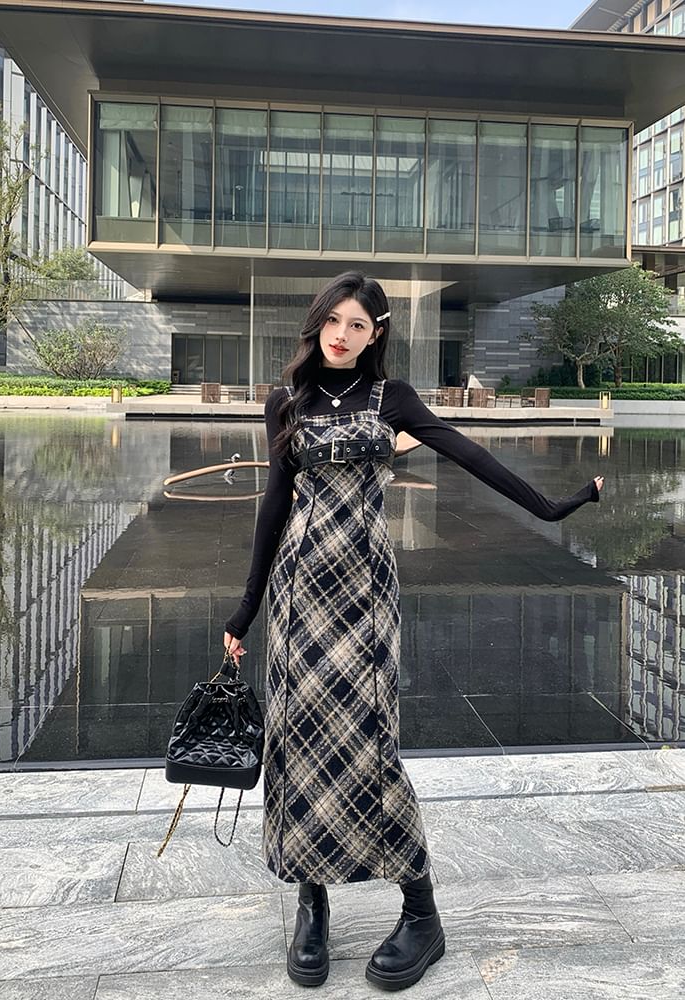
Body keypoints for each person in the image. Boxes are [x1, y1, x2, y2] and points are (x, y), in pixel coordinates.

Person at [223, 272, 604, 992]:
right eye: (333, 320)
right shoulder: (286, 402)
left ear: (377, 333)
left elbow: (469, 453)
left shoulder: (390, 399)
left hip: (365, 593)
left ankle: (421, 912)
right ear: (317, 322)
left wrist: (551, 508)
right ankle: (312, 906)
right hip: (299, 596)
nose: (341, 335)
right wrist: (245, 609)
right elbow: (274, 507)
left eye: (357, 324)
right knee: (297, 741)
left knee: (371, 745)